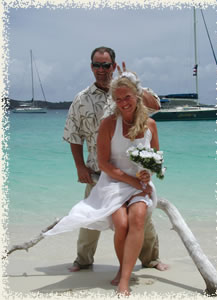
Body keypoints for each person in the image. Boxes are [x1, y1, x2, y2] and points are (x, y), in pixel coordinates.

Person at [44, 70, 162, 295]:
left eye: (127, 97)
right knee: (121, 224)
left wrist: (147, 173)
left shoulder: (150, 125)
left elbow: (156, 159)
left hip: (140, 184)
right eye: (118, 99)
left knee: (137, 217)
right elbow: (104, 164)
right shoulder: (108, 124)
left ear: (136, 95)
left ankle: (125, 278)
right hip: (114, 182)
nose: (123, 103)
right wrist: (130, 180)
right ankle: (121, 267)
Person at [62, 46, 168, 273]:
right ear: (91, 67)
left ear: (113, 65)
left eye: (106, 65)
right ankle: (83, 260)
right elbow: (73, 134)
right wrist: (79, 166)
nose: (101, 70)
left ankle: (150, 259)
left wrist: (133, 84)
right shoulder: (81, 99)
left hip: (131, 170)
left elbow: (156, 106)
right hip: (98, 170)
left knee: (142, 221)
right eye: (97, 65)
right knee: (90, 218)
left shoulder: (127, 90)